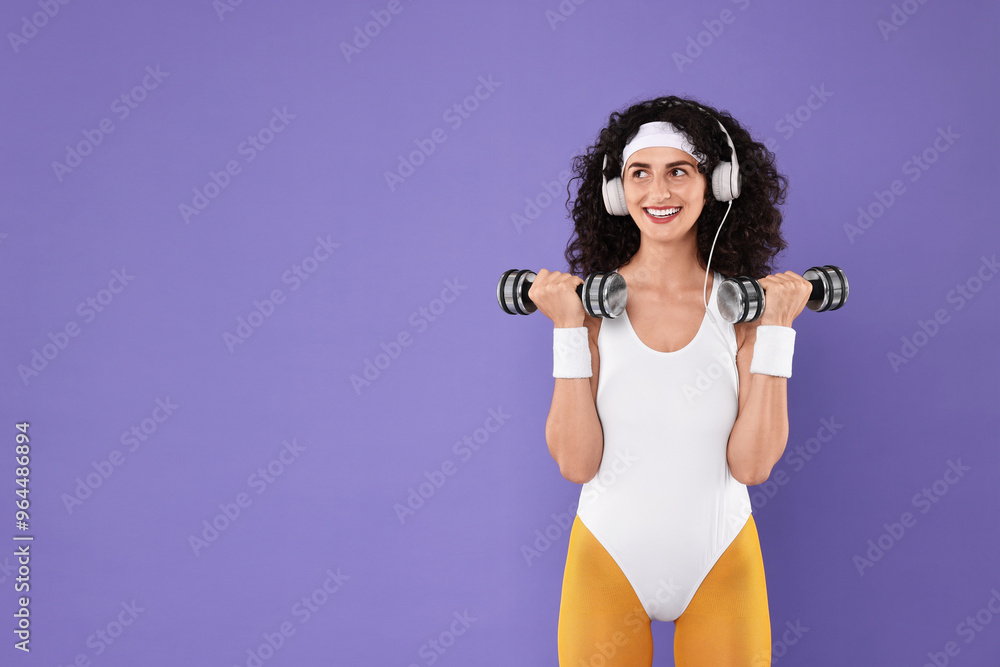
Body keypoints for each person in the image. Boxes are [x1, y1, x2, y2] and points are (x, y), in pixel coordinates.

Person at [527, 95, 813, 666]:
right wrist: (565, 331)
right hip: (607, 560)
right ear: (617, 191)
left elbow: (752, 467)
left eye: (678, 172)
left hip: (719, 561)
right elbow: (577, 464)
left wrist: (777, 330)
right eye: (640, 174)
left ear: (718, 185)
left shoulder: (745, 313)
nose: (658, 193)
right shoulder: (588, 310)